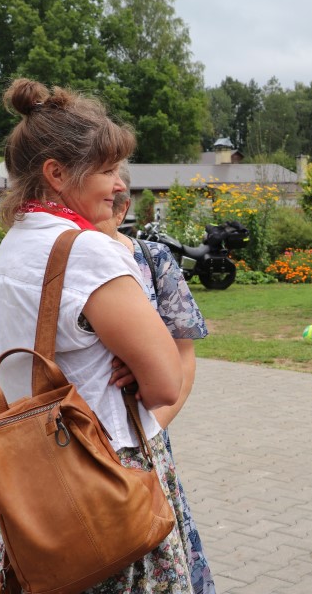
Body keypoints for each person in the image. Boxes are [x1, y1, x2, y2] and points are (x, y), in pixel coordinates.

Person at [0, 78, 197, 592]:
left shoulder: (7, 252)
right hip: (102, 486)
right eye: (107, 170)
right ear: (56, 173)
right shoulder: (88, 252)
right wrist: (137, 370)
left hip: (32, 488)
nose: (119, 185)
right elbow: (166, 384)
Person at [95, 165, 215, 594]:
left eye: (112, 203)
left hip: (140, 444)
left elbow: (183, 357)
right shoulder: (61, 258)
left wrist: (153, 425)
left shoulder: (152, 260)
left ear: (122, 207)